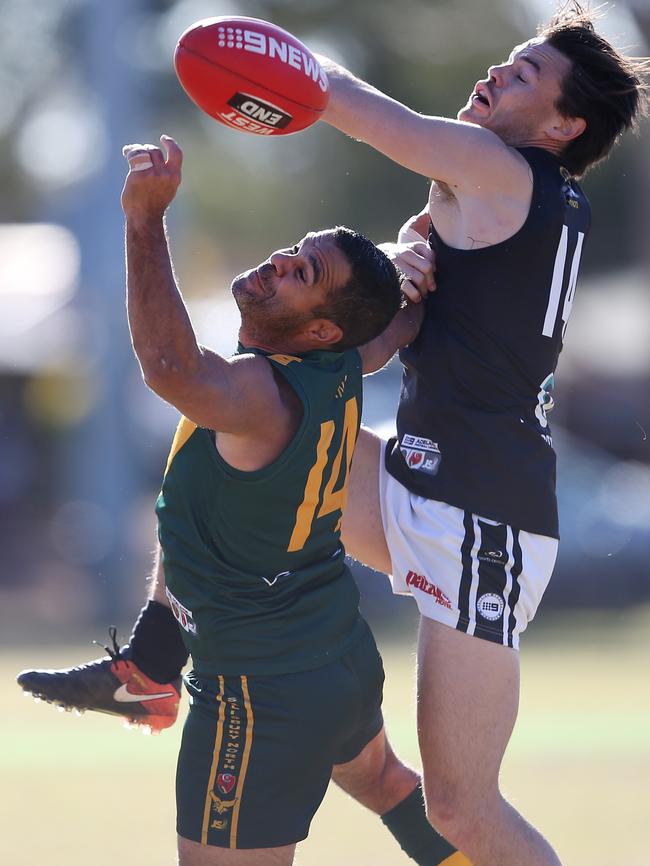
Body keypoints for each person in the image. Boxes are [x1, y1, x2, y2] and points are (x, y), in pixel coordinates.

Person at [18, 3, 649, 865]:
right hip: (431, 483)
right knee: (236, 435)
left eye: (526, 75)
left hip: (479, 520)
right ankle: (159, 660)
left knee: (464, 808)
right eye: (509, 59)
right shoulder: (506, 197)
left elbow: (359, 107)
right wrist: (409, 269)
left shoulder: (500, 170)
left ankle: (237, 669)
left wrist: (269, 60)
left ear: (563, 125)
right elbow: (423, 336)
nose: (501, 73)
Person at [20, 135, 469, 866]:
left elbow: (168, 365)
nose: (281, 260)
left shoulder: (262, 394)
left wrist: (143, 219)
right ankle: (150, 665)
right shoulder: (344, 357)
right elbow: (391, 324)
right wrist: (414, 261)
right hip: (334, 654)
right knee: (385, 783)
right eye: (297, 249)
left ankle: (150, 668)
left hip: (258, 692)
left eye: (304, 272)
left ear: (320, 325)